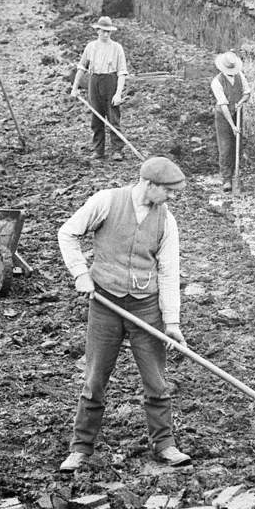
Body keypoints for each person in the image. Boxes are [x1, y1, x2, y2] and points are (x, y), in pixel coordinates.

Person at [56, 156, 191, 471]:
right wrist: (80, 273)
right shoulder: (106, 201)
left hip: (146, 308)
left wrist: (171, 321)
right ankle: (80, 448)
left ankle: (165, 445)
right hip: (105, 303)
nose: (173, 198)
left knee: (156, 380)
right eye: (169, 191)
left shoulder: (166, 220)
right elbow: (67, 233)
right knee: (95, 377)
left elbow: (170, 271)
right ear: (149, 184)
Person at [70, 16, 128, 161]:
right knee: (96, 118)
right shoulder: (91, 47)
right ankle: (98, 150)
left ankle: (117, 150)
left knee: (113, 117)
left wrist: (118, 93)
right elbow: (81, 67)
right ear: (97, 30)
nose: (106, 34)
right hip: (94, 81)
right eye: (103, 31)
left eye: (108, 32)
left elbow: (122, 73)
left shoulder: (117, 48)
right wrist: (75, 87)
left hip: (111, 81)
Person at [210, 51, 251, 192]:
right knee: (225, 146)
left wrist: (241, 102)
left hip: (237, 112)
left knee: (237, 145)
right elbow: (223, 105)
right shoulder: (217, 82)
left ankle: (236, 174)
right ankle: (226, 179)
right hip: (223, 116)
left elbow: (247, 92)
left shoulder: (240, 76)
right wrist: (233, 125)